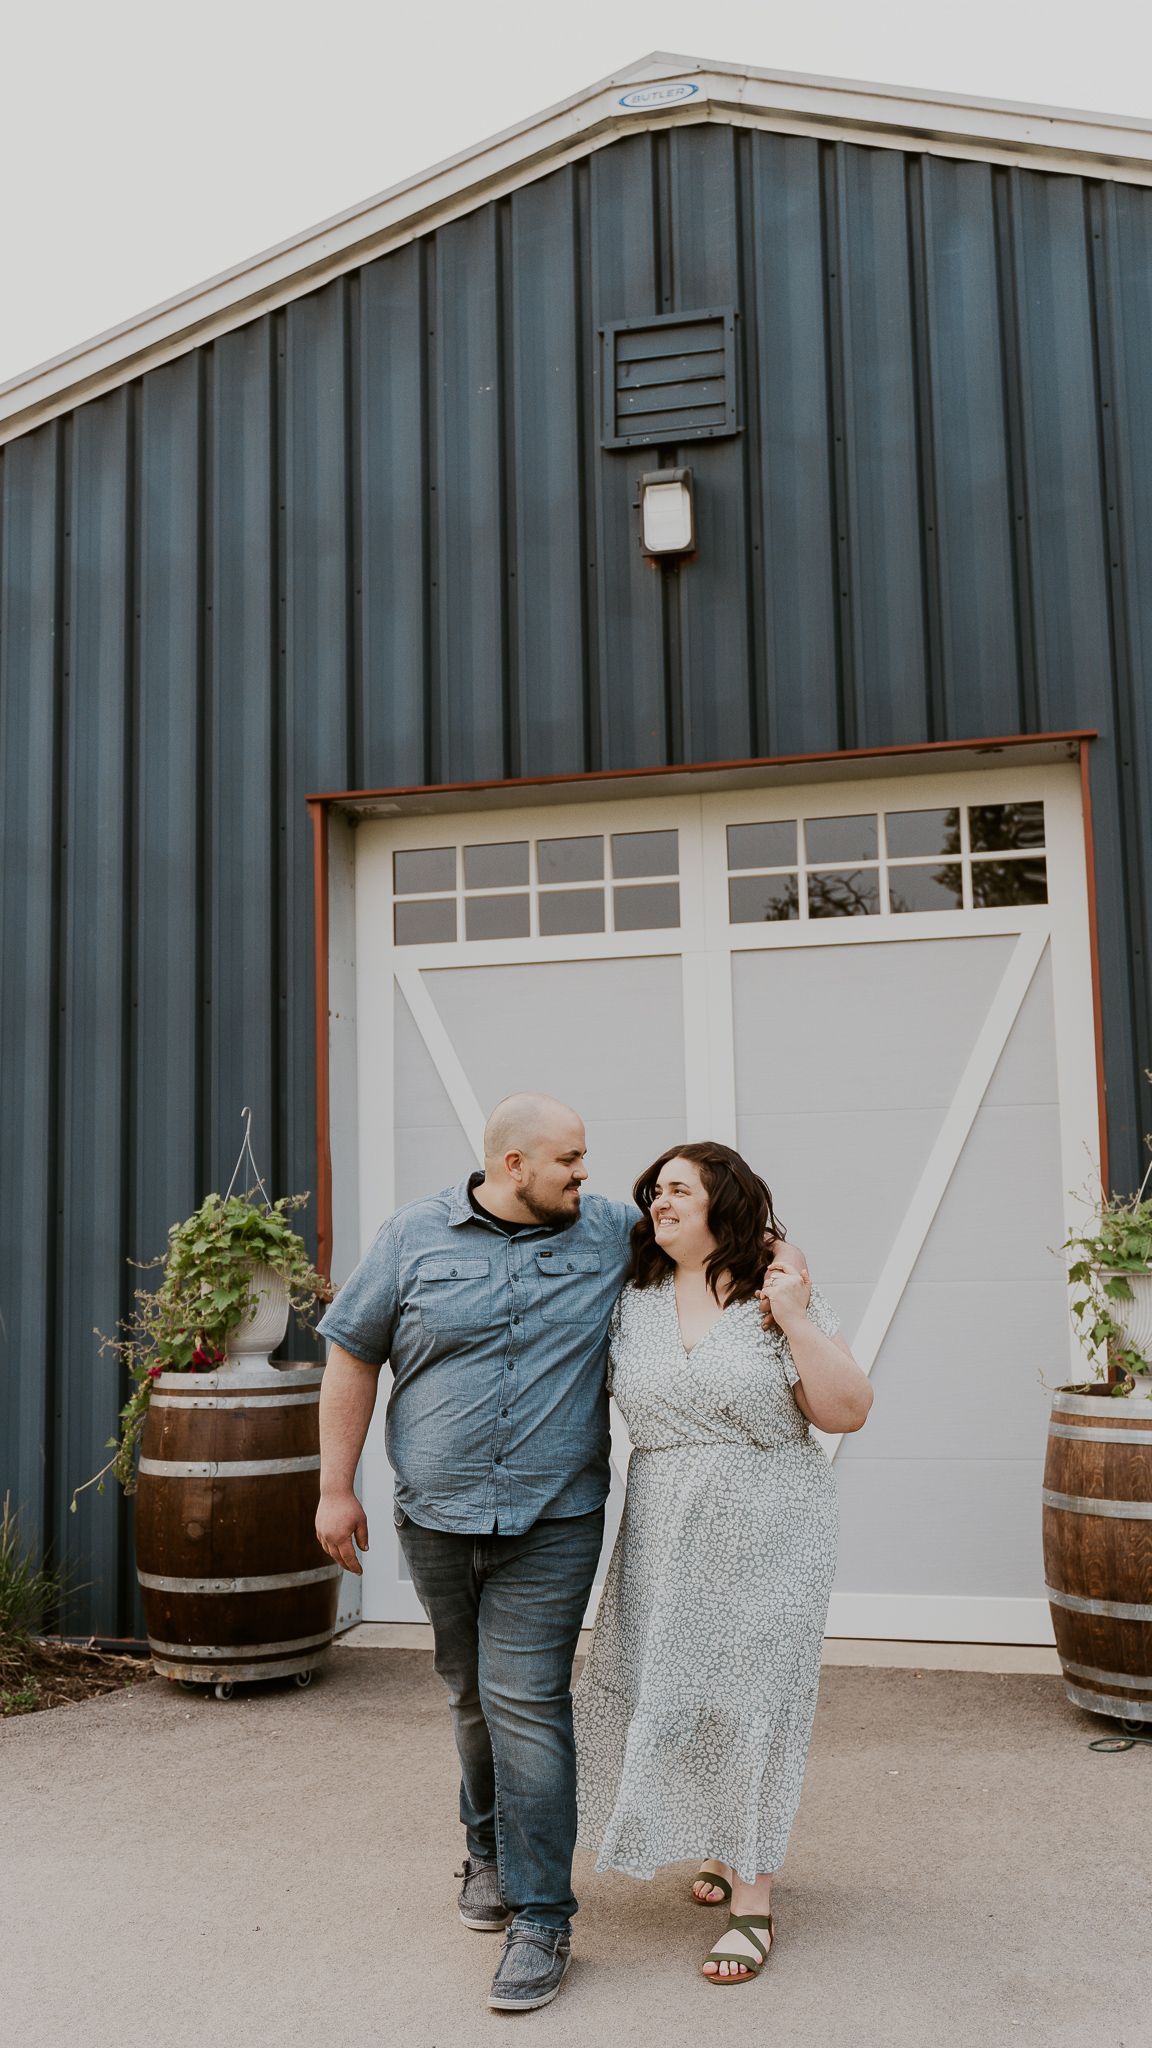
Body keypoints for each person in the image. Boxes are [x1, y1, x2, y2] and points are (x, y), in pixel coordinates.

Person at [313, 1094, 809, 2014]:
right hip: (437, 1516)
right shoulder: (412, 1237)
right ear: (513, 1167)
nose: (591, 1177)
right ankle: (488, 1847)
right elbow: (352, 1352)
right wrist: (335, 1486)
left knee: (528, 1702)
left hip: (553, 1517)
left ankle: (544, 1919)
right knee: (468, 1692)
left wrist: (788, 1269)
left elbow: (723, 1226)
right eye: (570, 1162)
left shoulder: (609, 1230)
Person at [573, 1141, 873, 1986]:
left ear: (724, 1206)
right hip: (665, 1523)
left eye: (678, 1190)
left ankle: (753, 1900)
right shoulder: (630, 1300)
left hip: (771, 1520)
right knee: (676, 1682)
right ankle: (716, 1840)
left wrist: (798, 1317)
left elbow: (847, 1409)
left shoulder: (775, 1295)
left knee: (754, 1697)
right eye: (653, 1192)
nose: (658, 1203)